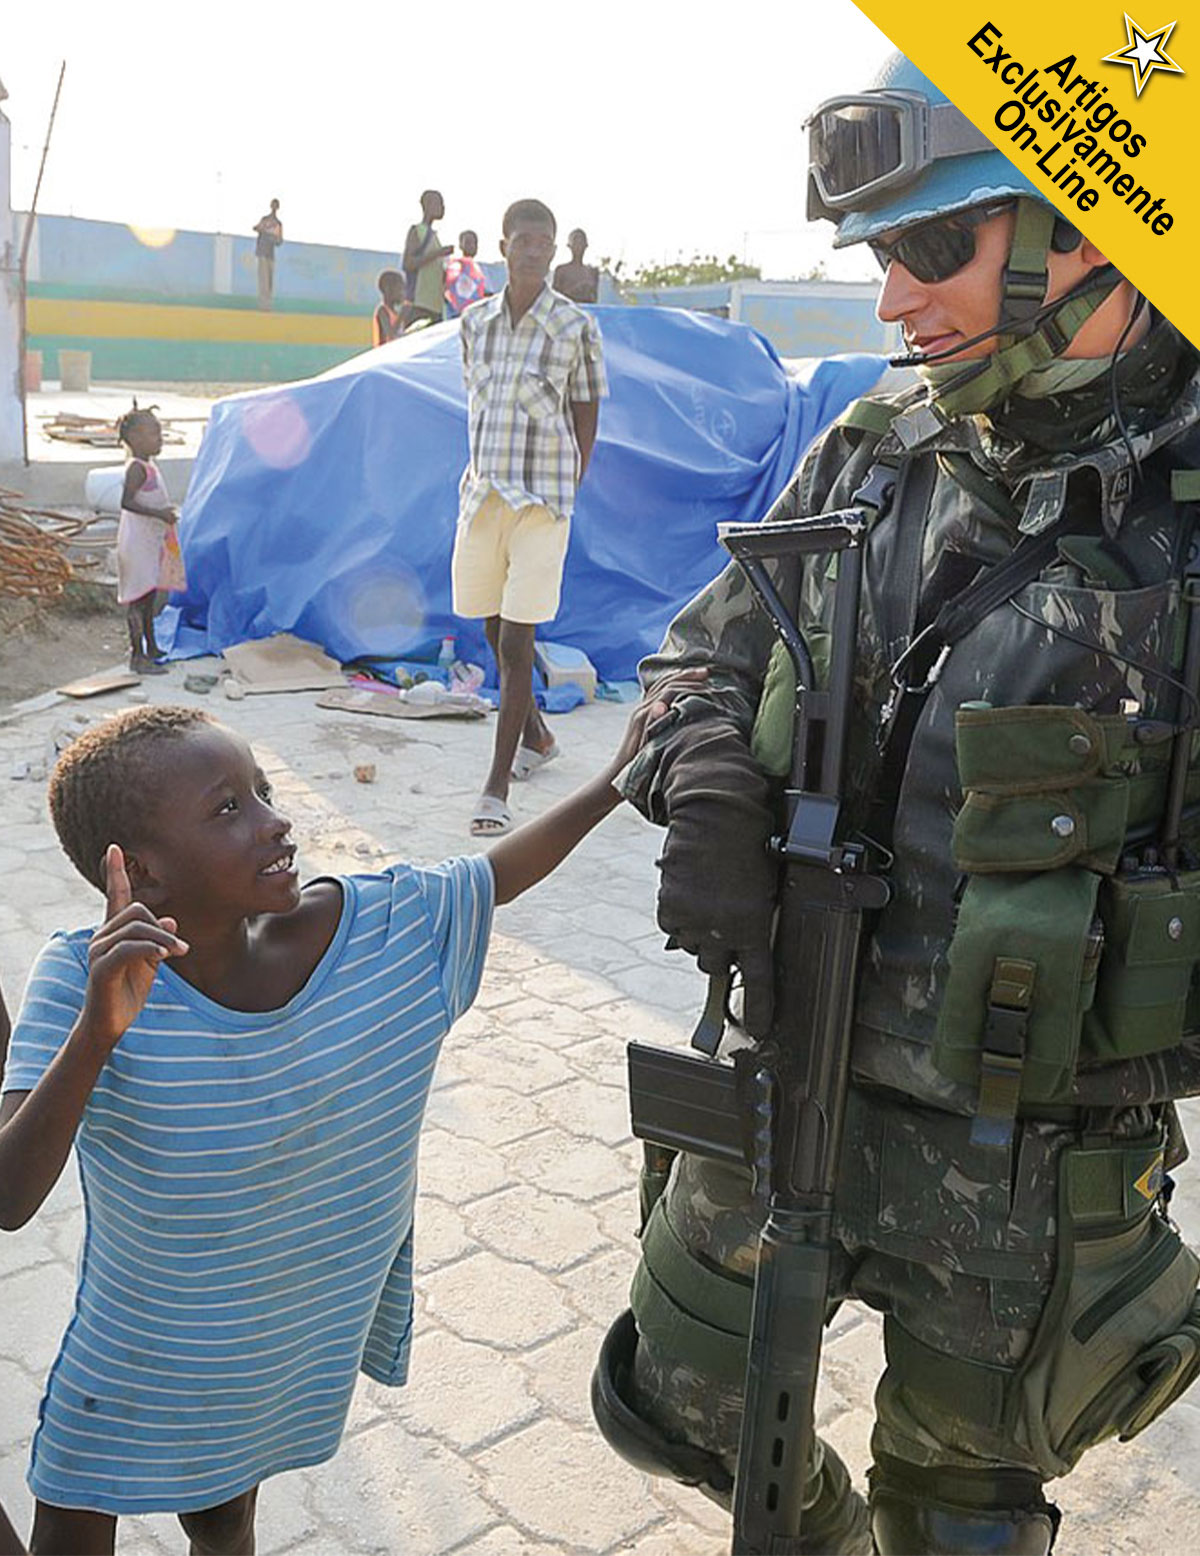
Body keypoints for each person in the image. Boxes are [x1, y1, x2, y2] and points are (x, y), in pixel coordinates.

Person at [590, 51, 1200, 1556]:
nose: (892, 299)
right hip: (792, 1053)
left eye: (936, 248)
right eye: (879, 255)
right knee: (666, 1407)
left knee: (965, 1516)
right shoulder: (877, 446)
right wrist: (708, 770)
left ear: (1091, 229)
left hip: (1024, 1148)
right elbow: (693, 654)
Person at [0, 671, 702, 1556]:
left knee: (223, 1516)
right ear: (138, 868)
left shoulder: (374, 930)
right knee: (70, 1524)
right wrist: (99, 1033)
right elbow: (10, 1197)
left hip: (274, 1342)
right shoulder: (82, 976)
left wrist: (612, 780)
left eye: (262, 789)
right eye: (228, 810)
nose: (274, 820)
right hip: (140, 1357)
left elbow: (493, 877)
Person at [454, 197, 608, 838]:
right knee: (490, 630)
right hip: (485, 493)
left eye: (544, 241)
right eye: (525, 240)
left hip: (544, 501)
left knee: (518, 642)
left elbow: (587, 410)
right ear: (505, 244)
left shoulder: (575, 326)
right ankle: (539, 737)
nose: (535, 250)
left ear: (553, 250)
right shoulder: (475, 322)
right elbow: (474, 399)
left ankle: (495, 788)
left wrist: (571, 481)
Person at [115, 406, 185, 676]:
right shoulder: (136, 469)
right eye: (154, 433)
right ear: (134, 438)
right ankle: (137, 657)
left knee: (149, 597)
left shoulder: (148, 466)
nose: (160, 438)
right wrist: (159, 513)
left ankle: (152, 648)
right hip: (137, 545)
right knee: (139, 600)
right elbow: (126, 502)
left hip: (148, 543)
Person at [402, 189, 453, 329]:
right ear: (428, 205)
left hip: (436, 307)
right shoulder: (417, 231)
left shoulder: (435, 236)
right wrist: (438, 254)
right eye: (439, 203)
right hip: (419, 306)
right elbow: (408, 264)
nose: (443, 208)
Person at [444, 229, 488, 318]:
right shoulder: (454, 268)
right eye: (468, 243)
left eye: (474, 243)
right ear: (460, 245)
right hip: (456, 315)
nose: (472, 246)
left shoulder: (481, 269)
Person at [552, 228, 599, 304]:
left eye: (581, 242)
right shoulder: (562, 270)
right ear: (569, 245)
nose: (578, 246)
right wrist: (574, 290)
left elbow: (594, 299)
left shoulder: (592, 272)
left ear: (586, 245)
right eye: (576, 242)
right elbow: (554, 297)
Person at [253, 199, 283, 309]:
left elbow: (279, 241)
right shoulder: (265, 220)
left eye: (276, 205)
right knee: (263, 280)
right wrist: (264, 230)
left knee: (269, 281)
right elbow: (256, 228)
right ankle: (263, 305)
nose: (274, 207)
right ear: (271, 206)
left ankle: (268, 305)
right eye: (273, 205)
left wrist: (275, 237)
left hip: (270, 253)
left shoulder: (278, 224)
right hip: (262, 251)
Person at [372, 269, 407, 347]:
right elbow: (390, 336)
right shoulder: (382, 311)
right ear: (388, 289)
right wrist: (402, 316)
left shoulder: (395, 313)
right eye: (400, 289)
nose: (403, 294)